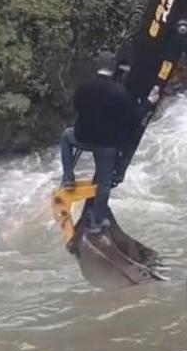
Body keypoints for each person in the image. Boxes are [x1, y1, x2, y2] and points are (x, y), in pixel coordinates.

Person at [60, 68, 144, 233]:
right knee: (103, 183)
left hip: (82, 137)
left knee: (65, 137)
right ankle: (98, 221)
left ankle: (68, 178)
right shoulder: (120, 93)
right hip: (107, 145)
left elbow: (77, 108)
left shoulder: (83, 88)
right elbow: (133, 120)